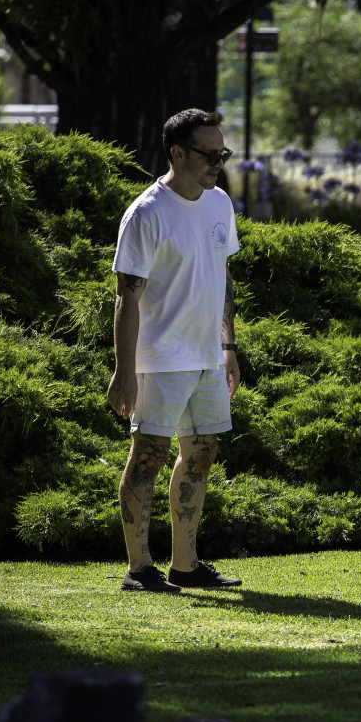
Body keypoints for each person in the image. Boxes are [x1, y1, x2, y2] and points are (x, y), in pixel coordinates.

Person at [107, 109, 243, 593]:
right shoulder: (147, 212)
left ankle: (185, 565)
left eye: (223, 154)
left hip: (207, 356)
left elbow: (222, 276)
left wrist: (227, 345)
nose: (218, 164)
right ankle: (138, 568)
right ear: (178, 153)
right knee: (148, 456)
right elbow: (127, 295)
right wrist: (124, 370)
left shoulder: (219, 203)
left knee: (201, 454)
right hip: (159, 360)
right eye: (211, 155)